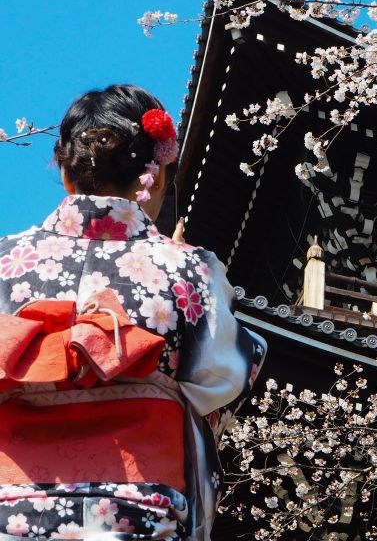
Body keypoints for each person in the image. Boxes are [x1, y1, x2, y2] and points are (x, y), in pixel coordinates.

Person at [0, 85, 266, 540]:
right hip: (141, 502)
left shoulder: (6, 261)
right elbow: (226, 374)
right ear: (156, 175)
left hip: (11, 502)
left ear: (66, 174)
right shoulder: (191, 267)